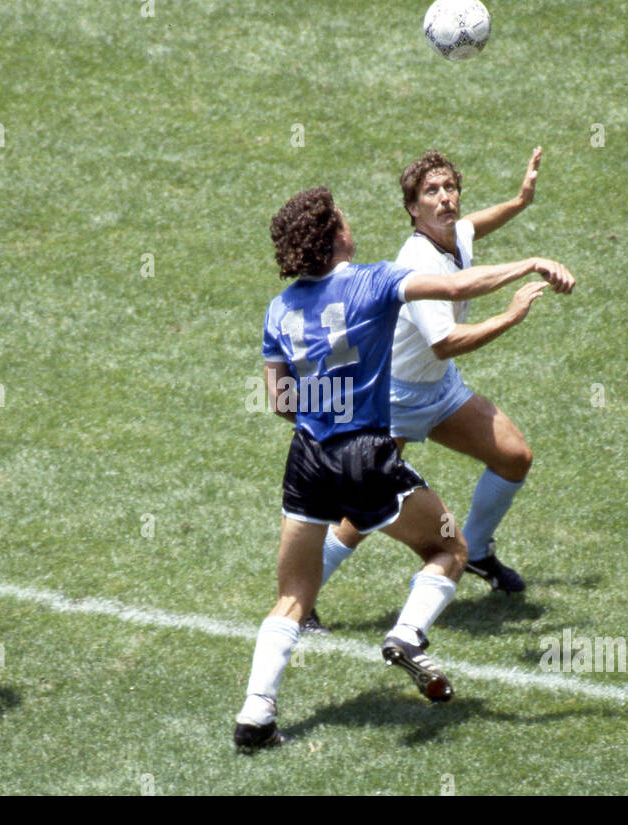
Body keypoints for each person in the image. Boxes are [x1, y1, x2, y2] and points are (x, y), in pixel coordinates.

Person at [234, 186, 573, 751]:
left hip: (306, 461)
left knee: (294, 593)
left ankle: (255, 717)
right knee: (450, 549)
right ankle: (408, 636)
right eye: (342, 218)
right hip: (366, 455)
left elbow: (280, 401)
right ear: (335, 235)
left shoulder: (279, 309)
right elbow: (459, 285)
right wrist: (529, 267)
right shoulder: (377, 280)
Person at [303, 147, 549, 635]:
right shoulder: (418, 261)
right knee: (361, 515)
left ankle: (475, 551)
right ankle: (299, 603)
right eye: (431, 192)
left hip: (439, 393)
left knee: (514, 456)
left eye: (449, 188)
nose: (445, 198)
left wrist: (519, 202)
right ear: (413, 209)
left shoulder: (453, 232)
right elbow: (444, 343)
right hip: (392, 400)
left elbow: (475, 226)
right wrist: (509, 315)